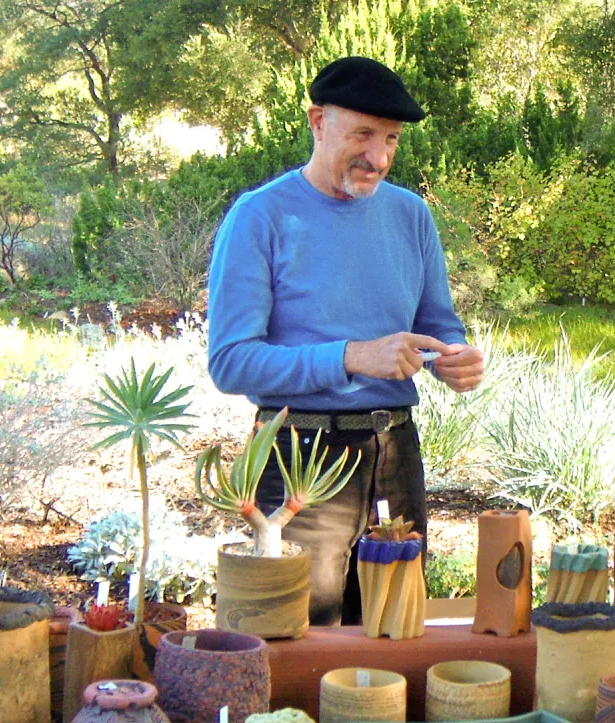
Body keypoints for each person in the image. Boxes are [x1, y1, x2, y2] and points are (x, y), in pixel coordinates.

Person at [206, 56, 484, 626]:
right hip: (300, 464)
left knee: (394, 634)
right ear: (317, 121)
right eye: (362, 133)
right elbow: (231, 363)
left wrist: (450, 358)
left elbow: (438, 324)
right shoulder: (260, 217)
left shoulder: (411, 216)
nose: (378, 156)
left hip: (396, 457)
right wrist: (354, 357)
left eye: (391, 139)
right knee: (298, 643)